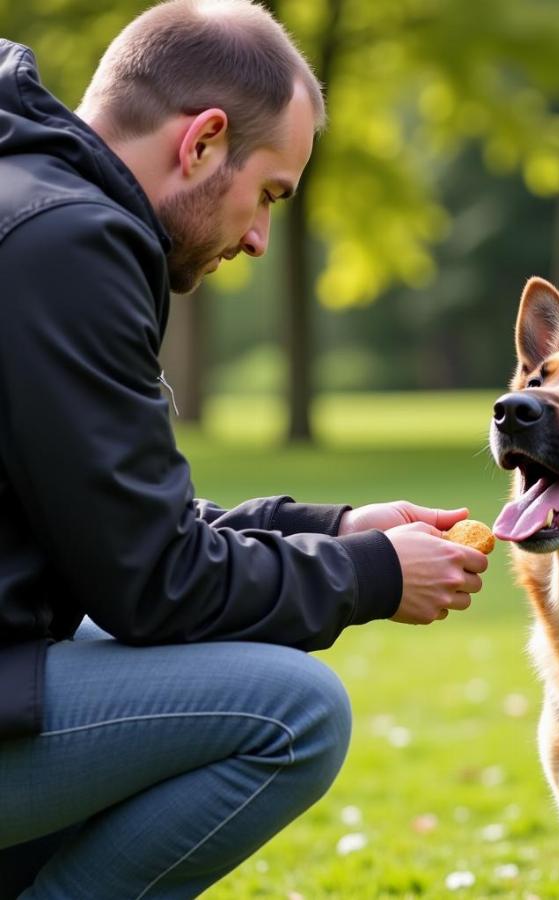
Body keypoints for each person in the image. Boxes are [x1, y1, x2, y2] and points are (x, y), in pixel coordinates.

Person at [0, 1, 489, 896]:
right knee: (293, 711)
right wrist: (375, 576)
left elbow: (126, 533)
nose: (261, 238)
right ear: (203, 142)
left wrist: (335, 527)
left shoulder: (30, 204)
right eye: (268, 193)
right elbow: (155, 585)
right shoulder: (67, 247)